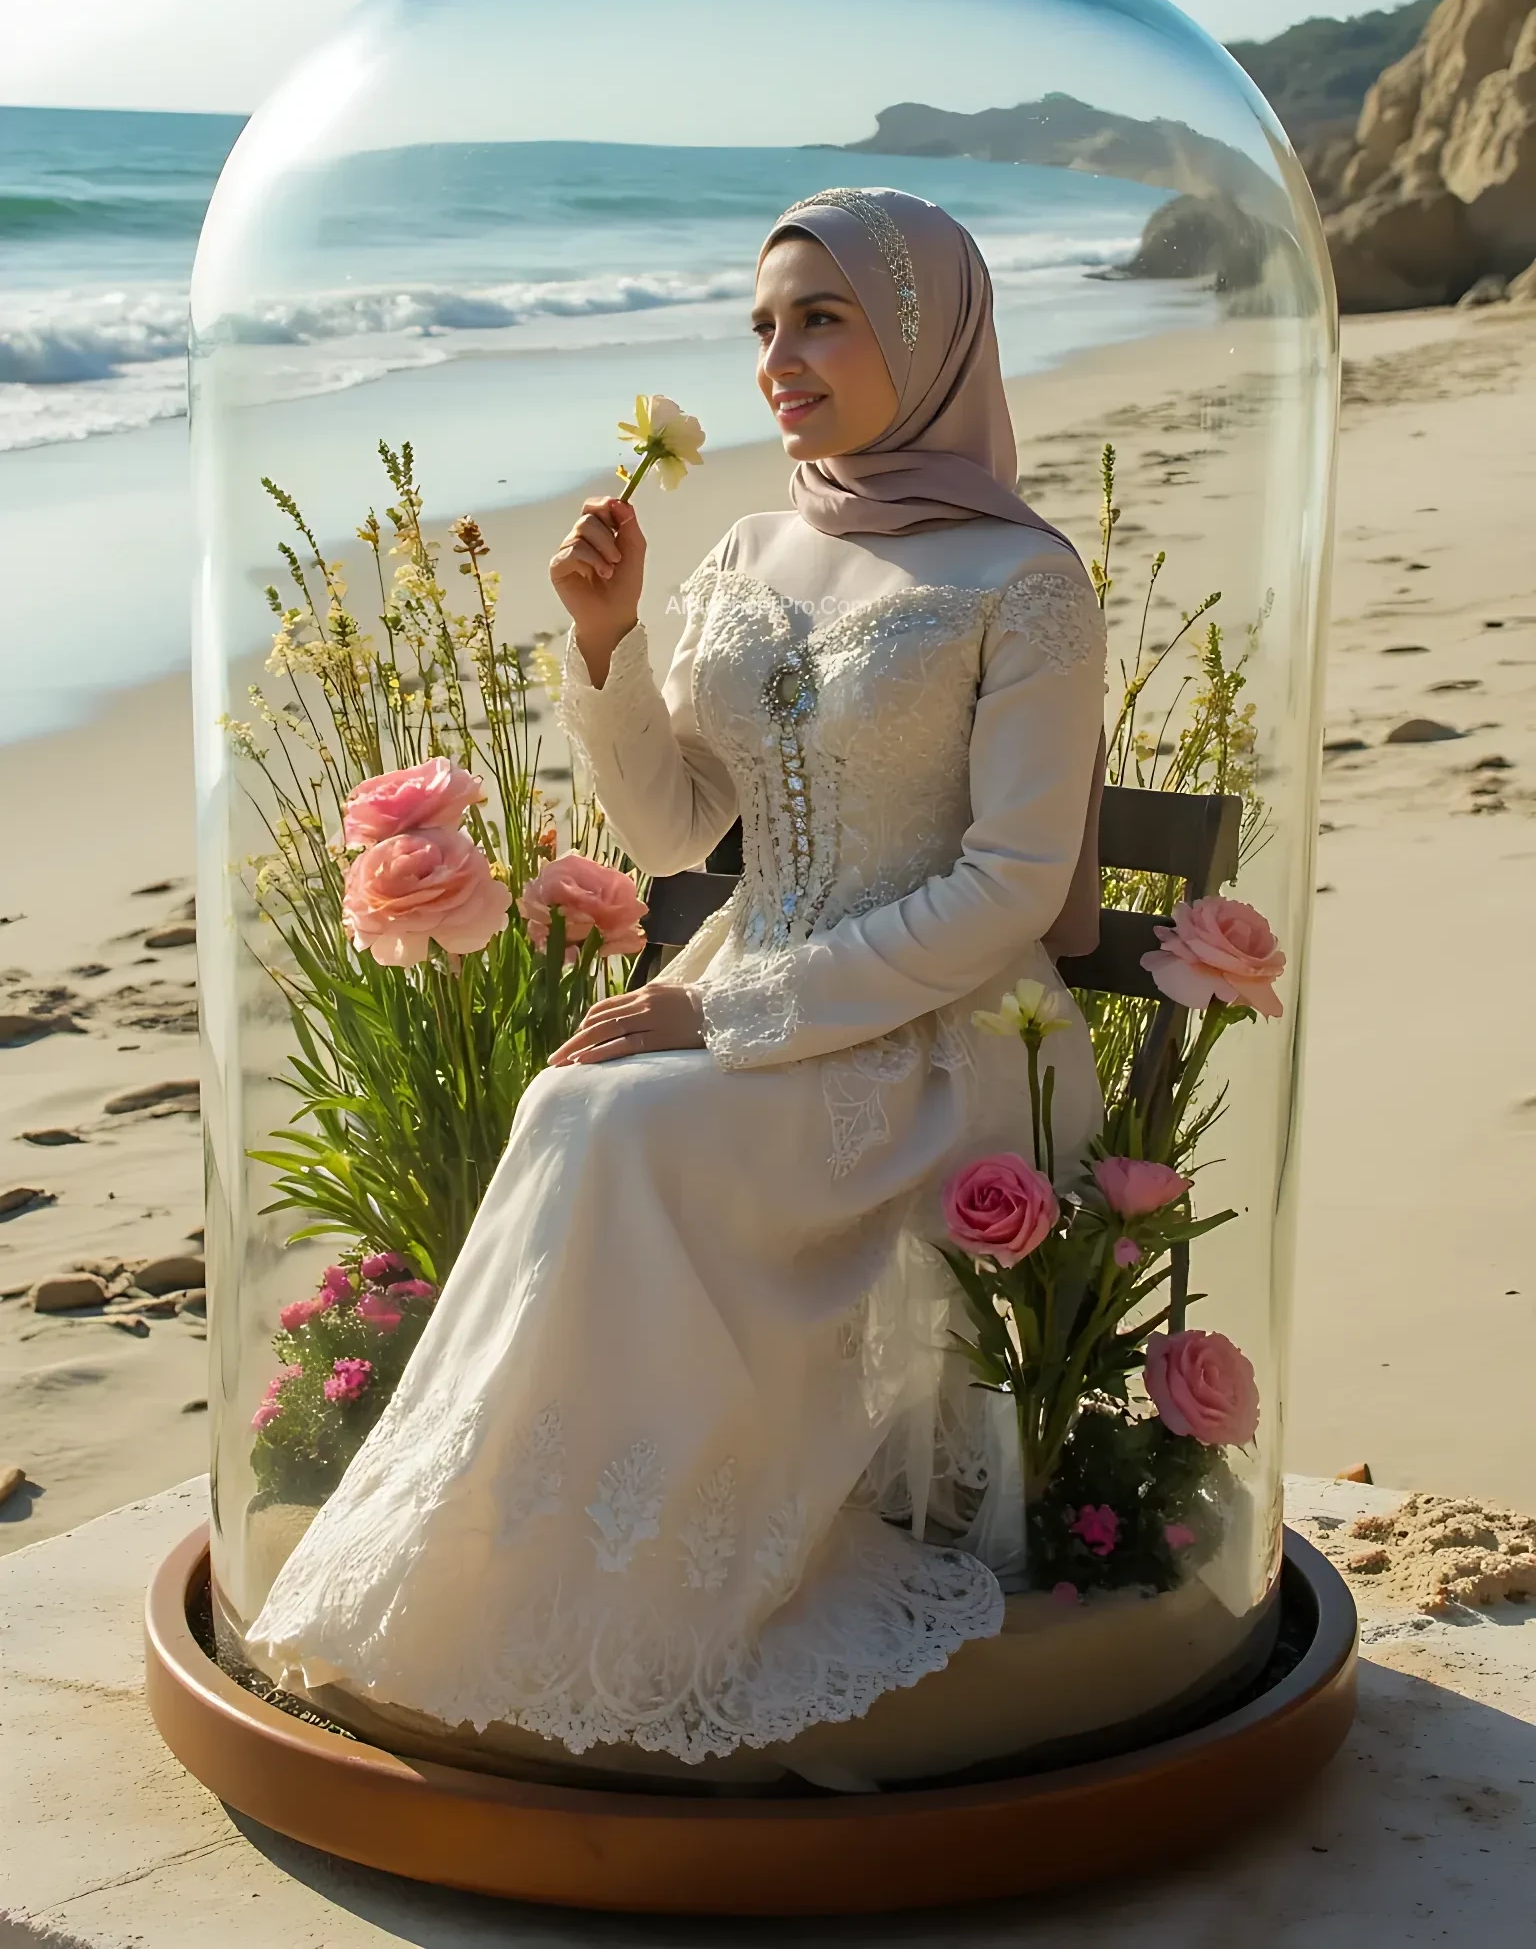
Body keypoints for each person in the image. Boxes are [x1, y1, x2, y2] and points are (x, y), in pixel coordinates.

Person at [249, 187, 1106, 1771]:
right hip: (740, 977)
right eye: (764, 325)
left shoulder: (1022, 579)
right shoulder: (747, 545)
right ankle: (517, 1579)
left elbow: (1010, 889)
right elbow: (678, 828)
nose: (781, 357)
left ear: (927, 335)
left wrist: (732, 1012)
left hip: (933, 1032)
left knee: (618, 1128)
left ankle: (649, 1595)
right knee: (580, 1107)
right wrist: (606, 642)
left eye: (824, 317)